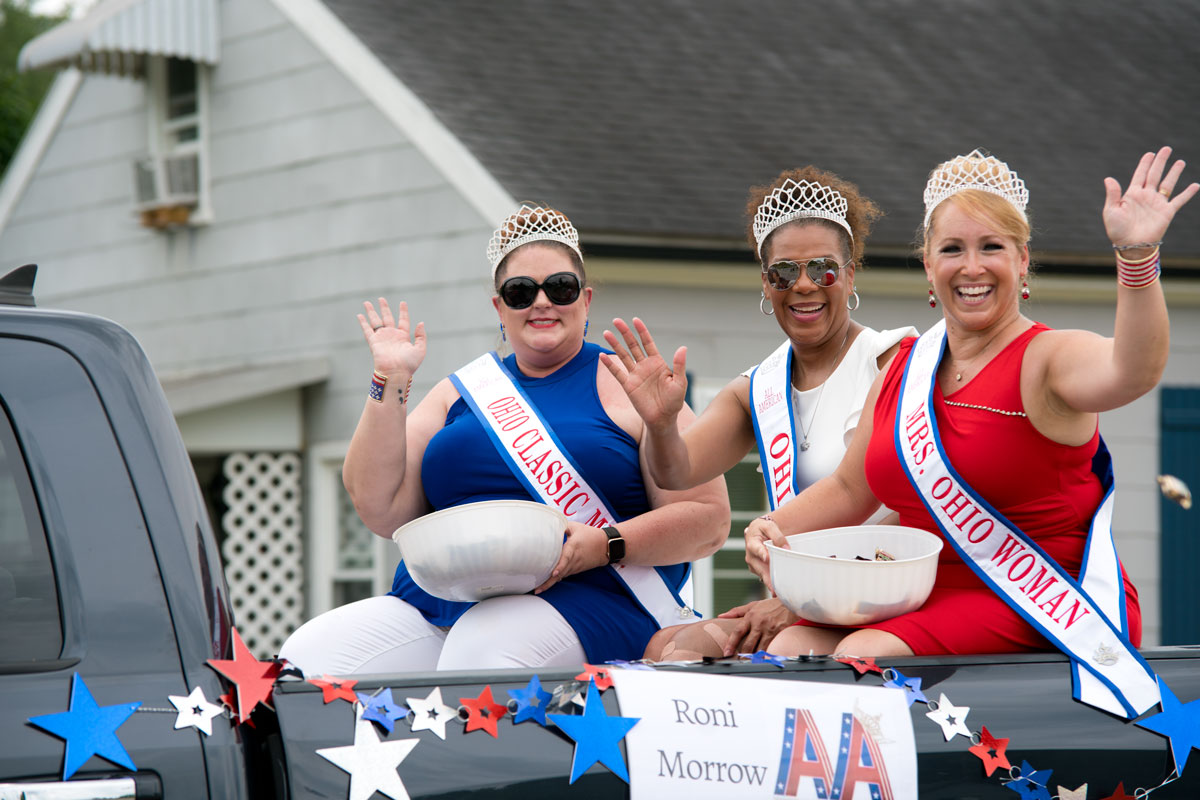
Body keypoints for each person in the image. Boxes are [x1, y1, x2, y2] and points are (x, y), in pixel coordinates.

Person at [743, 148, 1196, 716]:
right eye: (952, 249)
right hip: (918, 588)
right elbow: (852, 488)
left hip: (1038, 591)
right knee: (792, 649)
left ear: (1023, 261)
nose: (972, 267)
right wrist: (771, 526)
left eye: (992, 248)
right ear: (929, 265)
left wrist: (1137, 257)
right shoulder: (905, 366)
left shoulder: (1046, 359)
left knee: (864, 655)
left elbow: (1133, 370)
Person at [280, 205, 730, 674]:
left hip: (592, 599)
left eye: (560, 287)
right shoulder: (459, 391)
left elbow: (708, 519)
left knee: (480, 653)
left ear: (586, 299)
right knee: (304, 660)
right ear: (499, 306)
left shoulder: (632, 385)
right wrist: (389, 379)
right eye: (520, 292)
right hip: (443, 599)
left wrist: (604, 543)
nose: (541, 302)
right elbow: (378, 506)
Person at [601, 167, 916, 660]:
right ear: (766, 285)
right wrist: (661, 423)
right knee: (670, 647)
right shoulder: (758, 387)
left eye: (824, 269)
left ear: (851, 274)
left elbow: (904, 510)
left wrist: (796, 605)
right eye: (784, 272)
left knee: (773, 651)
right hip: (799, 602)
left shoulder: (894, 360)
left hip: (886, 590)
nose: (805, 285)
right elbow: (676, 471)